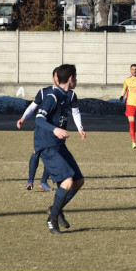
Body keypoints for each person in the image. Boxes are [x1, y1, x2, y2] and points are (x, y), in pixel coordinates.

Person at [35, 64, 85, 234]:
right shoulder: (53, 97)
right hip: (47, 145)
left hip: (58, 145)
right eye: (76, 77)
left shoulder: (67, 96)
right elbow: (39, 119)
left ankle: (55, 209)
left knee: (78, 181)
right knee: (67, 182)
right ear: (70, 78)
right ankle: (53, 219)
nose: (77, 81)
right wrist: (55, 129)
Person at [17, 67, 86, 191]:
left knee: (55, 156)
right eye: (55, 75)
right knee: (36, 153)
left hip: (57, 133)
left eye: (57, 75)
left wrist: (80, 128)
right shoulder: (45, 92)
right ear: (53, 77)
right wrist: (24, 117)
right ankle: (30, 180)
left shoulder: (70, 94)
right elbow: (34, 107)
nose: (56, 78)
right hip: (43, 131)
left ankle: (43, 181)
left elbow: (75, 112)